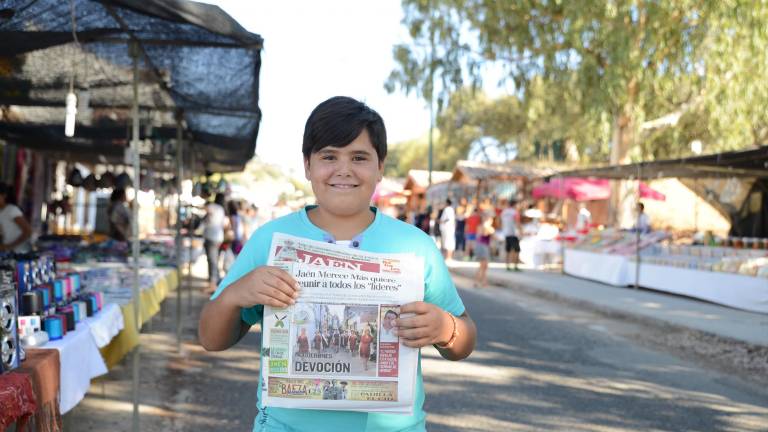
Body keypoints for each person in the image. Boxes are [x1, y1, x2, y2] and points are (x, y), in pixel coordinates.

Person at [198, 96, 476, 432]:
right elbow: (212, 339)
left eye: (359, 157)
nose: (343, 170)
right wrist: (234, 295)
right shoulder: (269, 240)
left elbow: (464, 340)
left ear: (380, 167)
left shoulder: (414, 246)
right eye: (329, 156)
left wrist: (446, 329)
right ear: (307, 165)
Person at [202, 194, 227, 294]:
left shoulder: (214, 207)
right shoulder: (222, 209)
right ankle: (214, 283)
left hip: (211, 236)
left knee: (212, 260)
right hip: (218, 237)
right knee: (214, 260)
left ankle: (213, 284)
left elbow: (206, 208)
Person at [0, 183, 32, 253]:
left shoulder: (12, 210)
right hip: (8, 252)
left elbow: (28, 231)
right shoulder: (1, 211)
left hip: (20, 252)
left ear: (4, 196)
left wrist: (10, 245)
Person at [473, 214, 495, 287]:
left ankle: (483, 281)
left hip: (482, 246)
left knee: (484, 266)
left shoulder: (481, 226)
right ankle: (478, 281)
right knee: (483, 266)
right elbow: (485, 234)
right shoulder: (486, 227)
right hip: (483, 247)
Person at [500, 199, 521, 272]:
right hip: (514, 233)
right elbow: (517, 222)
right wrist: (521, 231)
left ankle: (507, 265)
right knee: (516, 250)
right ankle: (515, 266)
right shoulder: (515, 212)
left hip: (506, 232)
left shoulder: (504, 212)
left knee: (508, 250)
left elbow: (500, 221)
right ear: (515, 205)